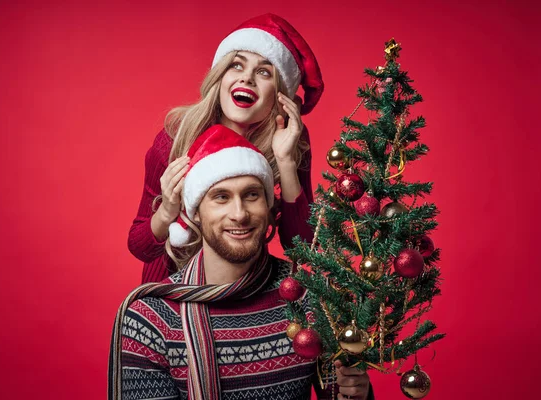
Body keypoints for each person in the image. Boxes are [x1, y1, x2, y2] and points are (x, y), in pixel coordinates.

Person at [109, 125, 373, 400]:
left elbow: (339, 392)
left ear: (270, 207)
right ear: (195, 213)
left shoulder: (310, 298)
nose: (239, 214)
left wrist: (358, 395)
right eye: (221, 197)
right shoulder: (151, 320)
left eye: (251, 195)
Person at [127, 14, 324, 283]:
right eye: (236, 66)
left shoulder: (292, 139)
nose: (247, 79)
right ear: (220, 77)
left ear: (281, 93)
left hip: (246, 289)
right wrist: (166, 211)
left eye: (264, 71)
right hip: (171, 291)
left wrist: (286, 161)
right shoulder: (174, 139)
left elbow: (302, 248)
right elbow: (139, 247)